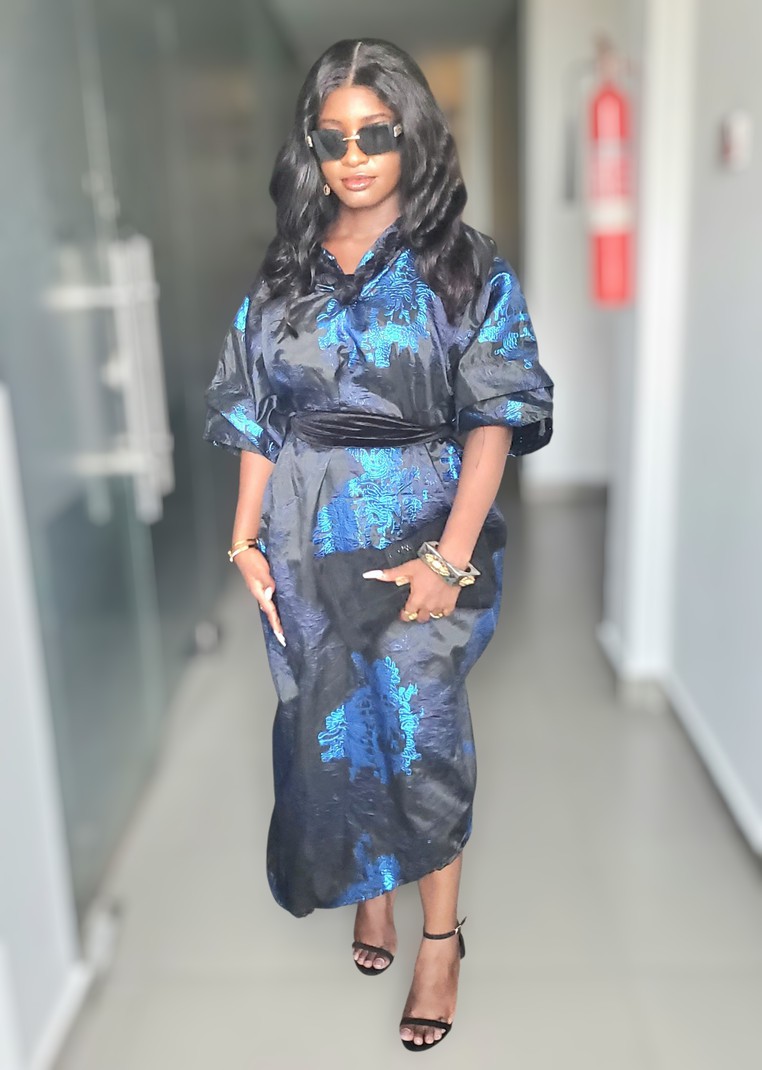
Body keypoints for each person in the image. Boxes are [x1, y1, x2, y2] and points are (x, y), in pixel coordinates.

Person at [202, 37, 554, 1052]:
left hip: (419, 525)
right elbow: (257, 414)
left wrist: (449, 557)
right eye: (333, 138)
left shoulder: (464, 267)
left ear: (413, 136)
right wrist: (243, 538)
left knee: (419, 731)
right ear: (311, 149)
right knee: (329, 718)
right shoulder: (285, 273)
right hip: (303, 527)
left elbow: (493, 420)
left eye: (375, 134)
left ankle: (439, 939)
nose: (354, 157)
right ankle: (369, 885)